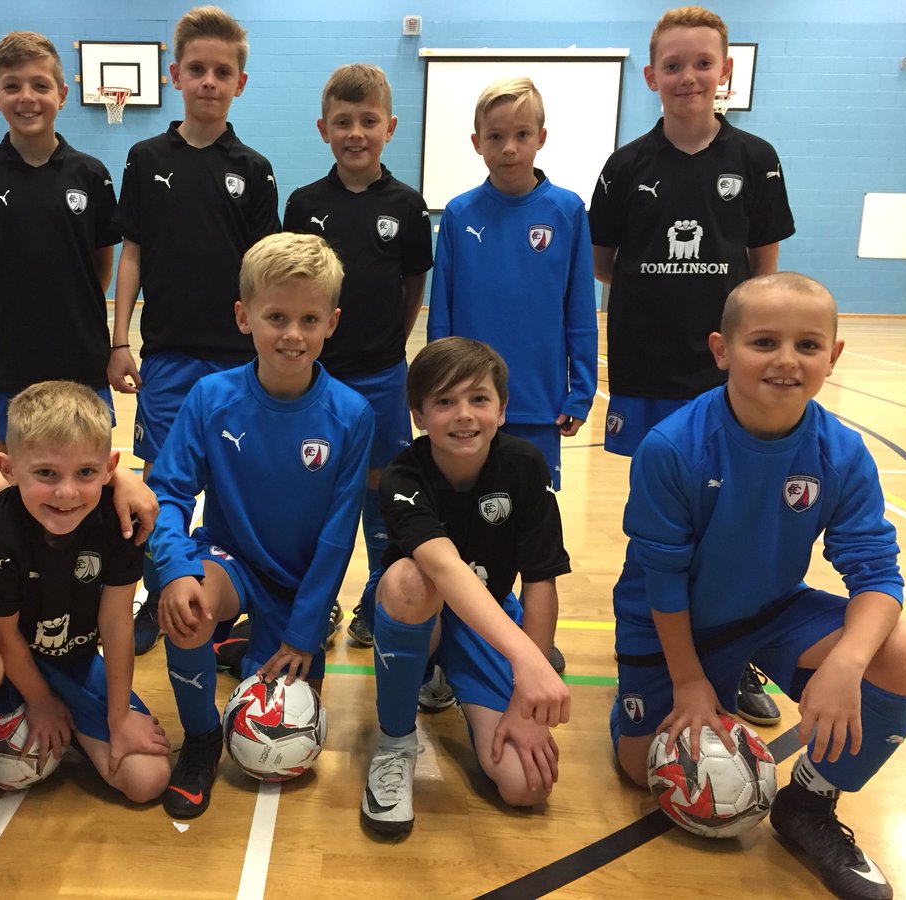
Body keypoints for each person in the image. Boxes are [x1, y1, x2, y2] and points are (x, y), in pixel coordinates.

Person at [610, 273, 906, 900]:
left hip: (770, 610)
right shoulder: (674, 447)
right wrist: (689, 681)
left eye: (807, 345)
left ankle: (810, 804)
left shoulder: (841, 452)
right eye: (764, 342)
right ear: (721, 350)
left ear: (833, 355)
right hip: (671, 622)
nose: (786, 360)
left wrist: (849, 664)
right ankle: (677, 685)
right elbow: (660, 578)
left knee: (901, 653)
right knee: (644, 773)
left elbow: (877, 573)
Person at [587, 5, 794, 725]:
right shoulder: (626, 167)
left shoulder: (755, 160)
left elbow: (763, 279)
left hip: (730, 383)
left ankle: (731, 662)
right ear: (650, 76)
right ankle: (647, 659)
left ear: (726, 71)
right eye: (672, 65)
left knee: (730, 524)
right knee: (660, 527)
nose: (687, 77)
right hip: (648, 375)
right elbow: (606, 264)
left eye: (702, 63)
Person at [149, 232, 374, 818]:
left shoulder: (351, 415)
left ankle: (261, 641)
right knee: (191, 610)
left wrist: (304, 629)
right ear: (244, 317)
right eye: (276, 316)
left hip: (302, 586)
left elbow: (337, 532)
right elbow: (168, 492)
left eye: (308, 318)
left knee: (284, 731)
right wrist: (173, 572)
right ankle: (200, 739)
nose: (292, 335)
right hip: (231, 559)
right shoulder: (210, 397)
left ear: (333, 322)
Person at [0, 381, 169, 849]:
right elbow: (3, 631)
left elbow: (116, 624)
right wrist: (40, 701)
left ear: (111, 470)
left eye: (86, 473)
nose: (67, 492)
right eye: (47, 474)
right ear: (8, 470)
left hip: (67, 656)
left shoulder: (120, 522)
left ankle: (66, 726)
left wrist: (117, 719)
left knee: (146, 778)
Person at [109, 5, 280, 655]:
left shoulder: (256, 169)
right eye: (198, 70)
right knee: (160, 485)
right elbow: (132, 252)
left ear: (240, 81)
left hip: (240, 360)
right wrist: (120, 338)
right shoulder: (146, 157)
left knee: (240, 481)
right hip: (169, 356)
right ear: (175, 75)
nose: (209, 81)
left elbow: (268, 272)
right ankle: (160, 594)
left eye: (223, 71)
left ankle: (233, 594)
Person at [358, 337, 572, 835]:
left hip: (487, 617)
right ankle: (394, 741)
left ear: (503, 408)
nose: (464, 415)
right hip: (411, 609)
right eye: (444, 402)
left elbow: (541, 578)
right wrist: (526, 659)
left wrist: (528, 695)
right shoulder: (403, 476)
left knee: (526, 786)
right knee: (416, 580)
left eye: (479, 399)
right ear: (417, 413)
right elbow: (447, 569)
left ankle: (443, 677)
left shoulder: (524, 466)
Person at [428, 76, 597, 678]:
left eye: (521, 135)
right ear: (476, 142)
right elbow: (440, 311)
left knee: (525, 525)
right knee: (461, 524)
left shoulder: (568, 211)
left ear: (540, 138)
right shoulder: (459, 214)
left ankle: (531, 638)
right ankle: (453, 644)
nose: (508, 147)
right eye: (496, 136)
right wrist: (434, 394)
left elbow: (581, 308)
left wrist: (581, 387)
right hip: (464, 407)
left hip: (535, 404)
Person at [283, 63, 433, 651]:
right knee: (310, 491)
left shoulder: (408, 204)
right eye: (342, 122)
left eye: (368, 121)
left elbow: (412, 282)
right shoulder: (303, 203)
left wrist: (389, 343)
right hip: (312, 381)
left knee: (380, 491)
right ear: (323, 128)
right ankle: (310, 603)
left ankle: (376, 598)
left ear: (389, 127)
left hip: (380, 379)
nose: (355, 133)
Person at [0, 31, 122, 466]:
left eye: (40, 85)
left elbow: (101, 264)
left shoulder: (91, 174)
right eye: (12, 86)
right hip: (9, 355)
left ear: (63, 94)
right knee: (12, 473)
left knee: (87, 473)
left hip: (82, 355)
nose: (26, 97)